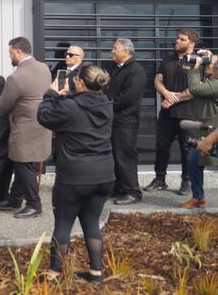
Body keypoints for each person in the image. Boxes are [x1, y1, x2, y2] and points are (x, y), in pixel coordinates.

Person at [38, 64, 115, 284]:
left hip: (74, 175)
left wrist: (51, 93)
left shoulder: (70, 106)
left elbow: (43, 115)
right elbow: (85, 106)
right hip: (104, 174)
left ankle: (53, 274)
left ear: (80, 81)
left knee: (63, 224)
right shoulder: (107, 105)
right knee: (91, 222)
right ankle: (96, 273)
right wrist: (68, 97)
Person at [0, 37, 51, 219]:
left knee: (24, 164)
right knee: (23, 162)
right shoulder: (44, 69)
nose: (10, 56)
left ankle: (34, 204)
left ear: (18, 51)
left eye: (11, 52)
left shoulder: (16, 77)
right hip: (43, 124)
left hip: (24, 127)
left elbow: (3, 108)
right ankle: (15, 198)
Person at [147, 30, 198, 195]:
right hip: (166, 113)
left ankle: (186, 182)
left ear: (191, 43)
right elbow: (157, 80)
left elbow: (197, 89)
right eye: (177, 37)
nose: (177, 41)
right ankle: (160, 179)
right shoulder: (168, 59)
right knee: (161, 146)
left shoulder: (198, 61)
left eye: (181, 39)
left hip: (189, 114)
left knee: (187, 149)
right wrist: (167, 94)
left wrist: (173, 99)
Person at [105, 38, 147, 205]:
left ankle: (133, 191)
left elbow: (127, 98)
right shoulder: (118, 69)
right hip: (115, 120)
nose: (112, 51)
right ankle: (120, 188)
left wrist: (105, 105)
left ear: (127, 52)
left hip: (126, 121)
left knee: (125, 157)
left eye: (115, 48)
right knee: (116, 156)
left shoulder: (135, 71)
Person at [179, 49, 218, 208]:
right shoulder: (210, 79)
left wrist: (196, 67)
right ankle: (198, 197)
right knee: (193, 160)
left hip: (214, 132)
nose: (208, 65)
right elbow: (184, 70)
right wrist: (199, 59)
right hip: (206, 131)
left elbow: (195, 88)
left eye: (212, 64)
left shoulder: (216, 84)